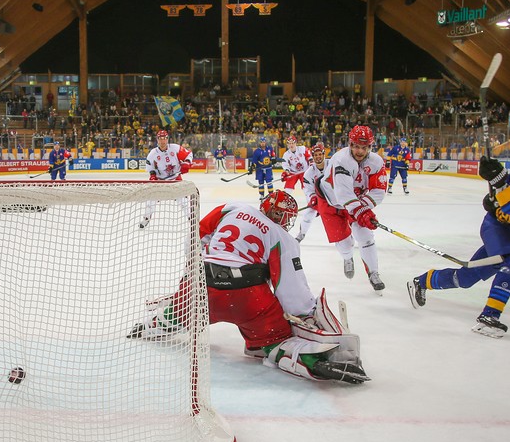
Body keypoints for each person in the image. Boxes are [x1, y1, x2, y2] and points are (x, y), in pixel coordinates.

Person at [128, 191, 370, 385]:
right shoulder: (282, 237)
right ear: (284, 218)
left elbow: (198, 234)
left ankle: (153, 325)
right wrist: (307, 313)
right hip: (247, 299)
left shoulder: (232, 208)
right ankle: (307, 361)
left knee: (179, 311)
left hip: (200, 288)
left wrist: (198, 269)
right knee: (277, 340)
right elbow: (289, 289)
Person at [407, 149, 510, 338]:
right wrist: (492, 182)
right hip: (496, 227)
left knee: (465, 279)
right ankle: (489, 317)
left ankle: (422, 281)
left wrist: (497, 185)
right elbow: (498, 194)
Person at [311, 124, 388, 294]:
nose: (360, 151)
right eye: (356, 146)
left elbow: (379, 190)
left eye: (364, 147)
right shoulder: (341, 159)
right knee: (344, 243)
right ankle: (347, 258)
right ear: (350, 144)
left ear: (370, 147)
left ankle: (373, 272)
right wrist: (362, 211)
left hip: (355, 201)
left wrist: (365, 208)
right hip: (330, 202)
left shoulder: (376, 162)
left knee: (365, 235)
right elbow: (343, 193)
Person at [140, 129, 192, 228]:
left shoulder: (175, 148)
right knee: (150, 200)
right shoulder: (153, 153)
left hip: (175, 179)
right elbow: (150, 167)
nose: (162, 141)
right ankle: (146, 219)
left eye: (164, 139)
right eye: (160, 139)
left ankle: (191, 219)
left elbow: (188, 154)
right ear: (157, 140)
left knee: (184, 202)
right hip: (161, 181)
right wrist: (152, 176)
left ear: (167, 139)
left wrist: (187, 163)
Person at [295, 142, 327, 242]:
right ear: (312, 156)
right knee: (309, 213)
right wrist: (313, 197)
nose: (318, 157)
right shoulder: (309, 173)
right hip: (320, 199)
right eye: (315, 155)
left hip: (335, 198)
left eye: (320, 154)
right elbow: (308, 189)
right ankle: (301, 234)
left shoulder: (332, 165)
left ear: (323, 154)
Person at [249, 136, 276, 201]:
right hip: (259, 169)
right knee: (261, 182)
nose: (263, 143)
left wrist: (274, 159)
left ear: (265, 142)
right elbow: (254, 161)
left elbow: (273, 156)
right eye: (261, 142)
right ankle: (261, 195)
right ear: (260, 143)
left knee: (269, 182)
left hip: (268, 169)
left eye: (264, 142)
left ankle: (271, 195)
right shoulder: (257, 151)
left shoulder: (270, 149)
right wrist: (251, 167)